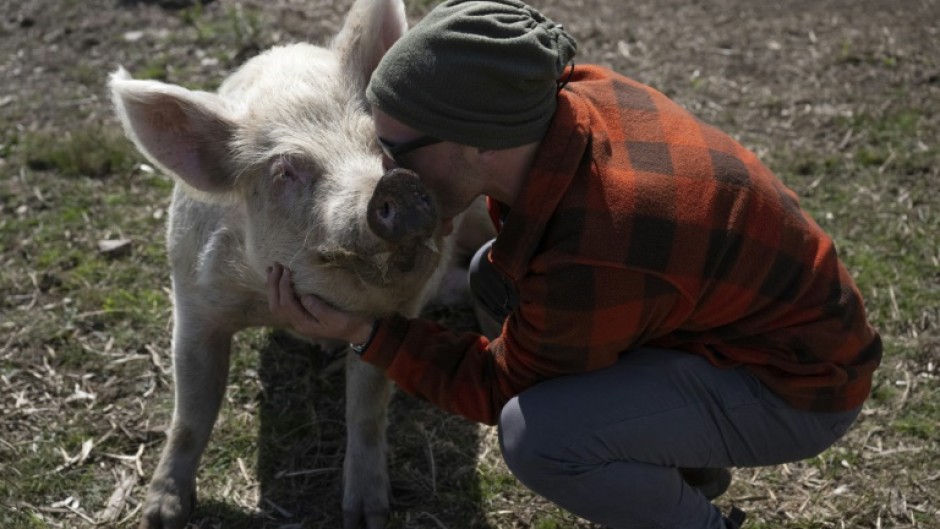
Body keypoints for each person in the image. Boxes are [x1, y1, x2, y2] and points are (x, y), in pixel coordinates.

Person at [265, 0, 883, 527]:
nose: (385, 177)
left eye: (394, 151)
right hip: (735, 327)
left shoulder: (595, 241)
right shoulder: (559, 99)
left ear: (479, 141)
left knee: (541, 438)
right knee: (489, 272)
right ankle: (683, 459)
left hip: (798, 389)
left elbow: (499, 387)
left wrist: (362, 331)